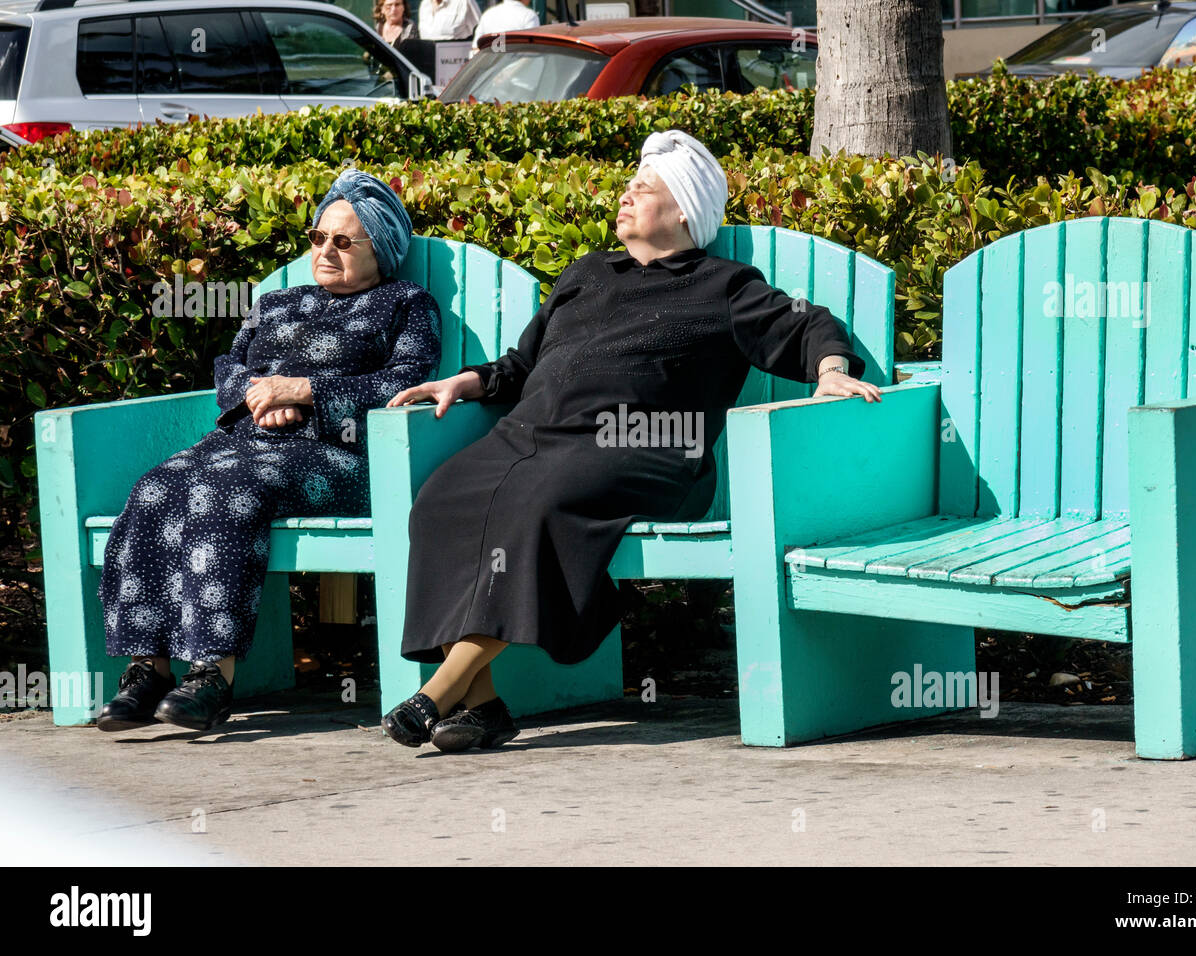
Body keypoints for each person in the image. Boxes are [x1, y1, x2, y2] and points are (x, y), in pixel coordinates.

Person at [381, 129, 882, 753]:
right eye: (627, 187)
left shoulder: (722, 286)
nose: (624, 198)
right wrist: (469, 381)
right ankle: (481, 708)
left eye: (642, 190)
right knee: (440, 500)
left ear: (683, 212)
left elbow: (805, 323)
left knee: (538, 505)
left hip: (646, 450)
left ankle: (436, 693)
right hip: (534, 438)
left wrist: (831, 368)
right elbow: (523, 362)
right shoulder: (587, 273)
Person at [95, 170, 441, 734]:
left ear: (382, 251)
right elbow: (230, 367)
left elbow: (405, 384)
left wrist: (305, 392)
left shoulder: (405, 304)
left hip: (340, 453)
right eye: (318, 237)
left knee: (226, 493)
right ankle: (149, 669)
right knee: (155, 486)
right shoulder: (277, 301)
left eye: (343, 241)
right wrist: (260, 398)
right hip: (246, 439)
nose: (325, 250)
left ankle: (212, 676)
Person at [470, 0, 539, 57]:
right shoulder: (529, 15)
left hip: (489, 70)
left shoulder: (488, 14)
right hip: (517, 69)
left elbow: (475, 49)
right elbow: (532, 51)